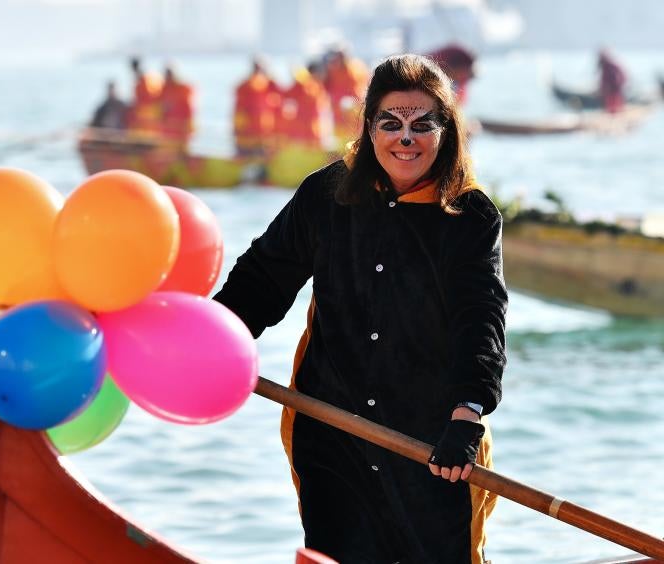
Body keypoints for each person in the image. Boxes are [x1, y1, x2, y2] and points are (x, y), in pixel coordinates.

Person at [214, 54, 507, 563]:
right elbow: (262, 280)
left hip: (435, 445)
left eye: (422, 124)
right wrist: (213, 342)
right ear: (370, 128)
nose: (405, 139)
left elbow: (481, 319)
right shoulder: (326, 194)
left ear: (447, 131)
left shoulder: (471, 216)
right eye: (390, 124)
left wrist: (468, 413)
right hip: (330, 431)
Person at [233, 58, 277, 155]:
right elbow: (239, 111)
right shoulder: (248, 86)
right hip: (250, 137)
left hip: (261, 137)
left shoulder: (266, 85)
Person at [159, 64, 196, 149]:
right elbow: (161, 109)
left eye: (169, 75)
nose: (168, 77)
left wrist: (188, 128)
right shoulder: (164, 89)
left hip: (181, 129)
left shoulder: (184, 89)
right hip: (168, 131)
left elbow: (189, 110)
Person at [126, 56, 163, 136]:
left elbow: (149, 97)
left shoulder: (145, 80)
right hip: (144, 113)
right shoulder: (142, 79)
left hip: (147, 114)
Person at [597, 49, 627, 113]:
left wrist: (605, 88)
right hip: (613, 88)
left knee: (614, 104)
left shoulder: (609, 67)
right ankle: (614, 113)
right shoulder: (607, 66)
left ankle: (615, 114)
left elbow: (612, 79)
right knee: (613, 104)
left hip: (614, 88)